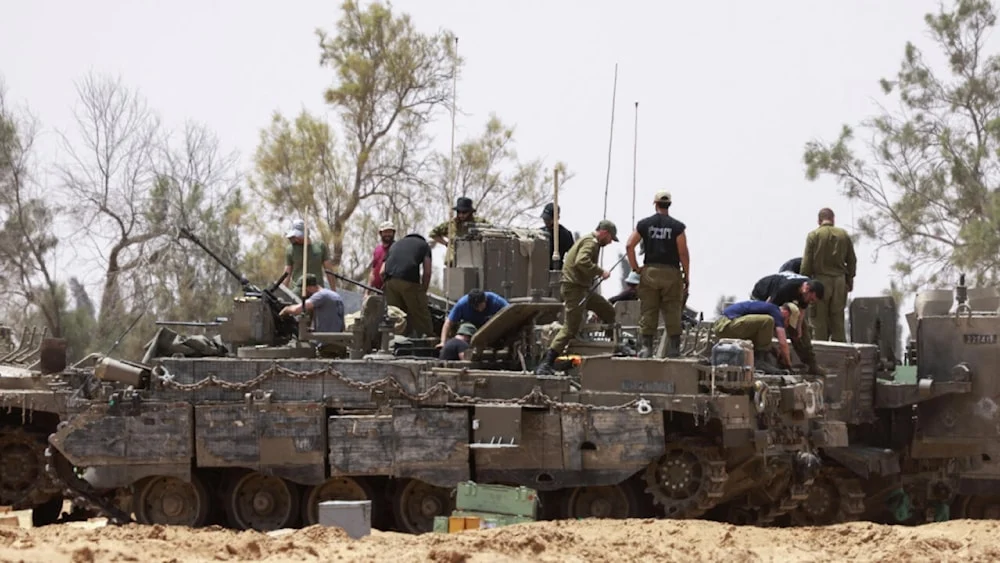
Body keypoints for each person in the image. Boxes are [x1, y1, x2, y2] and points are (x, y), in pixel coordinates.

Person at [534, 220, 619, 375]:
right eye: (610, 238)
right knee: (570, 327)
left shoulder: (590, 241)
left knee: (607, 310)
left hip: (582, 289)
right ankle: (547, 362)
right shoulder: (591, 243)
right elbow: (582, 261)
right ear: (604, 233)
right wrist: (600, 272)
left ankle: (613, 347)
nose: (610, 242)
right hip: (574, 289)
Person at [625, 190, 690, 358]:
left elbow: (629, 245)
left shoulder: (644, 224)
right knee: (673, 309)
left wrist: (636, 268)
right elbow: (683, 253)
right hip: (671, 273)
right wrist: (686, 276)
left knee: (649, 309)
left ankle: (646, 349)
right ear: (669, 205)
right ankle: (674, 350)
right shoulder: (677, 227)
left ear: (655, 204)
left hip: (650, 272)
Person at [800, 208, 857, 342]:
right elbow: (852, 260)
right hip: (840, 282)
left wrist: (804, 284)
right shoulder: (843, 235)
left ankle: (821, 352)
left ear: (819, 221)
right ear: (833, 219)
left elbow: (806, 264)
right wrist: (849, 280)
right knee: (838, 321)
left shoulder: (814, 235)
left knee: (818, 322)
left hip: (820, 283)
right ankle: (840, 352)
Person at [750, 273, 825, 374]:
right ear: (806, 289)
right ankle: (763, 358)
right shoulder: (785, 289)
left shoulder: (807, 289)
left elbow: (802, 310)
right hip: (763, 295)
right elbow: (767, 308)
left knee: (801, 330)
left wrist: (798, 328)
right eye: (811, 299)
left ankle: (811, 363)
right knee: (768, 323)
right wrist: (780, 336)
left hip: (784, 298)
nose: (810, 302)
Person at [714, 300, 800, 371]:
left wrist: (775, 352)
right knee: (768, 320)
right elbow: (783, 343)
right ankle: (760, 362)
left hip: (727, 326)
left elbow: (762, 340)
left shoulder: (766, 312)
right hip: (726, 324)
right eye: (787, 321)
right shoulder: (775, 311)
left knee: (767, 341)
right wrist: (789, 365)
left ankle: (759, 360)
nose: (786, 325)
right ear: (786, 313)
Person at [278, 273, 346, 357]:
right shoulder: (334, 295)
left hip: (329, 346)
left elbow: (297, 310)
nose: (304, 293)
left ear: (309, 287)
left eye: (304, 290)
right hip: (339, 343)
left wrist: (286, 310)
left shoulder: (320, 296)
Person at [380, 233, 433, 337]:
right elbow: (427, 272)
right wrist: (422, 292)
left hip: (390, 281)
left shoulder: (394, 245)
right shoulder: (424, 245)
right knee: (420, 315)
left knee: (395, 315)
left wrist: (388, 284)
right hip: (409, 281)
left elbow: (382, 271)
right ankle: (428, 341)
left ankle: (392, 340)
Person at [438, 289, 509, 348]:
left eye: (481, 305)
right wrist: (443, 342)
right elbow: (448, 323)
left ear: (485, 300)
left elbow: (510, 311)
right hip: (471, 327)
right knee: (464, 331)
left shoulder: (495, 300)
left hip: (490, 325)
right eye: (476, 307)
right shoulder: (462, 304)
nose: (479, 309)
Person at [429, 196, 488, 266]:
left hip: (473, 260)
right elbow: (433, 234)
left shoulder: (478, 222)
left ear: (470, 212)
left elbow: (493, 231)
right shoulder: (452, 224)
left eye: (464, 212)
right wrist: (446, 243)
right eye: (459, 212)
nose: (461, 215)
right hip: (453, 261)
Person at [283, 218, 336, 295]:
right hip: (298, 292)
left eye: (298, 236)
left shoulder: (320, 247)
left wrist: (334, 292)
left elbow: (329, 271)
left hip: (317, 292)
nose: (296, 239)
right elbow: (286, 274)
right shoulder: (290, 249)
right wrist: (282, 293)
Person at [541, 203, 575, 270]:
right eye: (544, 218)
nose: (545, 221)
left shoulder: (565, 234)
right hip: (540, 268)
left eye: (548, 219)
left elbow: (572, 255)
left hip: (557, 269)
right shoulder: (540, 233)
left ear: (557, 218)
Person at [368, 221, 396, 294]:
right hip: (377, 291)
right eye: (385, 232)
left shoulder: (396, 248)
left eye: (390, 232)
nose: (387, 234)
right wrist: (367, 292)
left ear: (393, 233)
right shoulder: (377, 249)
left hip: (391, 292)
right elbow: (373, 272)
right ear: (381, 233)